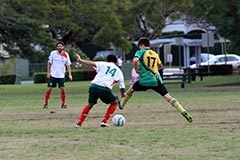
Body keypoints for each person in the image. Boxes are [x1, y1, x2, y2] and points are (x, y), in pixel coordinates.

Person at [120, 37, 193, 123]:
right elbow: (160, 65)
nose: (139, 48)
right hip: (156, 79)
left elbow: (135, 60)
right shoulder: (154, 54)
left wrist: (136, 69)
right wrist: (153, 69)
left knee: (132, 88)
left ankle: (122, 105)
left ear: (142, 45)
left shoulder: (140, 52)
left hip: (145, 80)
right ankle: (182, 110)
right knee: (168, 97)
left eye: (139, 47)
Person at [74, 53, 125, 128]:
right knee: (114, 102)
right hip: (104, 88)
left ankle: (79, 123)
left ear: (107, 60)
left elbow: (91, 63)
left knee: (90, 104)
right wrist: (123, 94)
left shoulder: (102, 64)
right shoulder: (119, 71)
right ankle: (104, 121)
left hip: (93, 86)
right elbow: (122, 87)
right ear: (116, 62)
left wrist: (80, 60)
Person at [43, 41, 72, 109]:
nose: (60, 47)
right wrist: (48, 72)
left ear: (63, 47)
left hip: (61, 75)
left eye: (61, 46)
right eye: (58, 46)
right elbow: (49, 63)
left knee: (62, 89)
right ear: (57, 47)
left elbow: (68, 65)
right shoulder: (53, 53)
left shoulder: (66, 55)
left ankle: (63, 104)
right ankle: (46, 103)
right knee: (49, 89)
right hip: (53, 75)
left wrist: (70, 74)